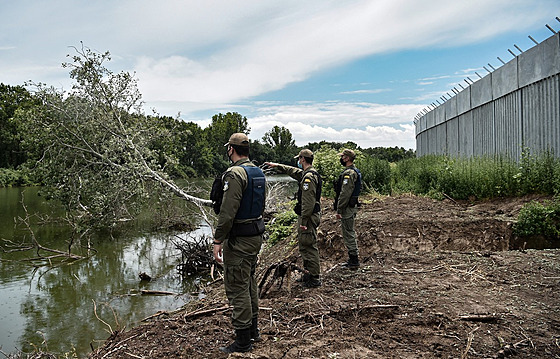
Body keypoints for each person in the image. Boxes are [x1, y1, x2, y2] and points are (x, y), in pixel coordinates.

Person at [213, 133, 266, 353]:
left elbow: (227, 213)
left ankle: (243, 341)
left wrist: (218, 240)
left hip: (240, 239)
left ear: (231, 150)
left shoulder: (235, 174)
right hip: (255, 235)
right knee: (249, 281)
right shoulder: (257, 171)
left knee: (237, 287)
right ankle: (253, 331)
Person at [265, 149, 322, 288]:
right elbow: (292, 171)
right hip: (307, 217)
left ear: (303, 159)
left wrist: (304, 221)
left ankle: (314, 278)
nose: (298, 161)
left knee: (309, 246)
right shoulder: (307, 173)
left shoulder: (308, 177)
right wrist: (276, 165)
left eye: (299, 158)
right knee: (304, 245)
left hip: (307, 218)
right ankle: (308, 273)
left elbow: (308, 203)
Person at [334, 149, 362, 268]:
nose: (341, 159)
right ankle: (352, 259)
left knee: (348, 233)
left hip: (347, 208)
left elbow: (345, 193)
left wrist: (339, 209)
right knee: (348, 232)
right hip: (350, 206)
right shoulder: (352, 171)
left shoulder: (349, 173)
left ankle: (354, 261)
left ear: (347, 158)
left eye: (343, 157)